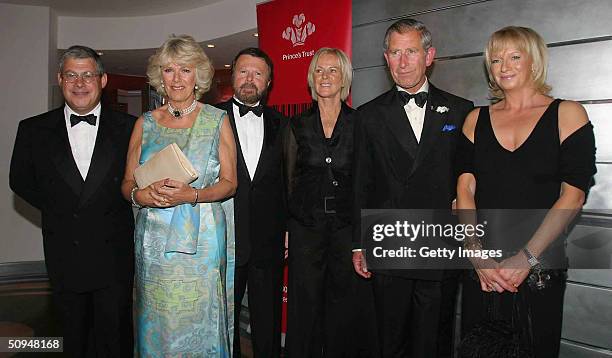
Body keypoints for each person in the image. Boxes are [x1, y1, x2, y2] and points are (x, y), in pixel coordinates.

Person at [456, 26, 596, 357]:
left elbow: (573, 196)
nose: (504, 66)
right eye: (495, 59)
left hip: (541, 267)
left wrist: (526, 258)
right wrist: (475, 254)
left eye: (514, 56)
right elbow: (464, 189)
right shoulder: (474, 120)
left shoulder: (568, 114)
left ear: (534, 61)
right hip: (483, 269)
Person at [352, 19, 474, 357]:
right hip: (389, 243)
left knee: (435, 340)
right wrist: (357, 244)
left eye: (411, 51)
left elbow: (470, 179)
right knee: (390, 340)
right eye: (395, 52)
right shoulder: (367, 115)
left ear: (429, 56)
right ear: (385, 58)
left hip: (440, 245)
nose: (402, 61)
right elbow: (361, 182)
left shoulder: (462, 110)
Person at [9, 46, 135, 357]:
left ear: (103, 79)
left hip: (114, 257)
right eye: (71, 75)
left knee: (114, 340)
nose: (80, 83)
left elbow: (140, 182)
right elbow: (20, 181)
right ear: (60, 79)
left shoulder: (131, 128)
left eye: (88, 75)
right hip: (65, 252)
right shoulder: (32, 129)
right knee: (70, 338)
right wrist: (63, 211)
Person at [121, 35, 237, 357]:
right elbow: (127, 183)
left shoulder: (217, 121)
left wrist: (193, 195)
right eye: (169, 70)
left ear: (197, 76)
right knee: (157, 322)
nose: (176, 79)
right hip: (154, 245)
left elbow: (230, 183)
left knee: (202, 320)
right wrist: (140, 195)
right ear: (160, 76)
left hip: (202, 243)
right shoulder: (144, 124)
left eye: (185, 70)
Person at [285, 47, 376, 358]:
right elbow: (288, 180)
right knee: (304, 305)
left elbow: (367, 180)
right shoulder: (296, 125)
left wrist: (362, 235)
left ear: (344, 78)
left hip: (345, 231)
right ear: (312, 78)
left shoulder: (361, 123)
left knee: (344, 306)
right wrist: (286, 226)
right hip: (305, 229)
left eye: (332, 70)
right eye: (319, 71)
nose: (325, 76)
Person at [215, 47, 286, 358]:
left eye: (258, 73)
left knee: (267, 320)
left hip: (269, 240)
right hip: (224, 239)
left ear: (268, 82)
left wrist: (288, 229)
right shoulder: (210, 120)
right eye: (244, 71)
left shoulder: (283, 125)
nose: (250, 79)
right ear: (233, 76)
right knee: (224, 320)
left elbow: (289, 183)